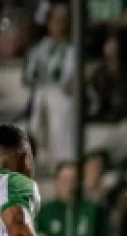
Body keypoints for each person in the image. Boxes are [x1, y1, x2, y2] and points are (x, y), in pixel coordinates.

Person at [23, 2, 76, 164]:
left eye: (64, 19)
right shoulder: (39, 48)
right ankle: (36, 152)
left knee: (57, 100)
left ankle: (64, 158)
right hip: (41, 94)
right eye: (56, 19)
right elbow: (29, 76)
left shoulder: (75, 48)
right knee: (42, 97)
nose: (59, 24)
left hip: (65, 95)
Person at [36, 162, 110, 236]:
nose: (68, 184)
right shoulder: (45, 212)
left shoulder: (90, 211)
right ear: (56, 182)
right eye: (64, 180)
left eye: (72, 180)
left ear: (78, 182)